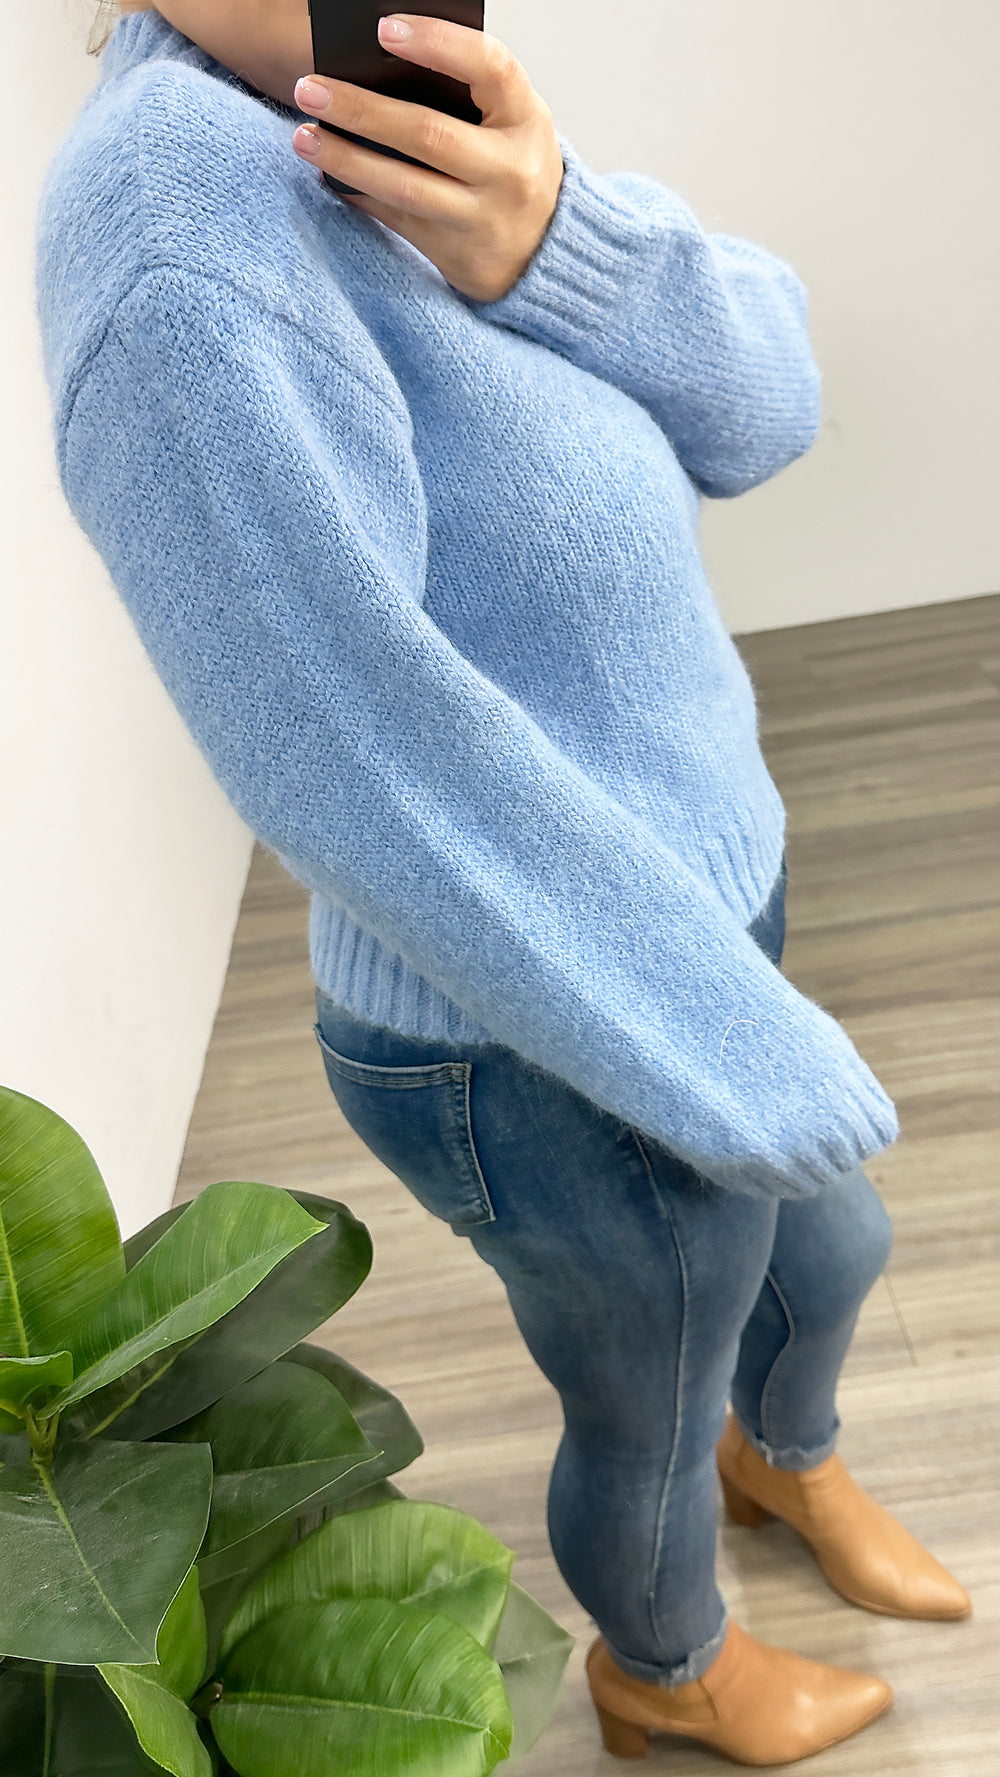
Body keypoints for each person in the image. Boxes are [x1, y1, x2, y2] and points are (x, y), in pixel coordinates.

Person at [38, 1, 971, 1762]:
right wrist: (738, 1048)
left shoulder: (384, 110)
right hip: (518, 1019)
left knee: (830, 1247)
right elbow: (354, 751)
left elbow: (768, 403)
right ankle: (668, 1667)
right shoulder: (175, 230)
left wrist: (558, 243)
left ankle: (785, 1462)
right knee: (647, 1398)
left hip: (687, 913)